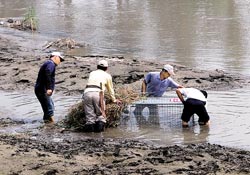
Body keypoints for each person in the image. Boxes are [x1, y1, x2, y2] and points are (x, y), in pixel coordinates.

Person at [83, 60, 121, 132]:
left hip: (87, 93)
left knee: (89, 117)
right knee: (100, 115)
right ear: (106, 68)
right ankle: (99, 136)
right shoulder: (107, 76)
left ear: (97, 67)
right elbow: (110, 89)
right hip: (98, 93)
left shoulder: (92, 73)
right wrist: (114, 100)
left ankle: (90, 136)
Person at [34, 51, 64, 123]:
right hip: (42, 89)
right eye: (60, 59)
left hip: (40, 89)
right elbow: (48, 73)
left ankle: (47, 123)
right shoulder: (51, 64)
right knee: (49, 108)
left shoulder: (49, 63)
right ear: (55, 57)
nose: (60, 62)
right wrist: (49, 88)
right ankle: (52, 124)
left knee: (49, 107)